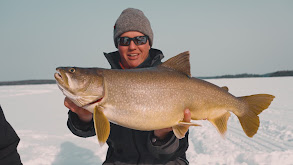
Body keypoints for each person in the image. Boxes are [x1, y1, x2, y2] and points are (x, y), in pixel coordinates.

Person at [65, 8, 191, 164]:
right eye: (124, 40)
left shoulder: (168, 81)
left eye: (139, 39)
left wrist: (162, 136)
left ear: (149, 43)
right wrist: (83, 118)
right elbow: (84, 131)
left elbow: (177, 149)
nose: (132, 46)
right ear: (117, 45)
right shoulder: (104, 83)